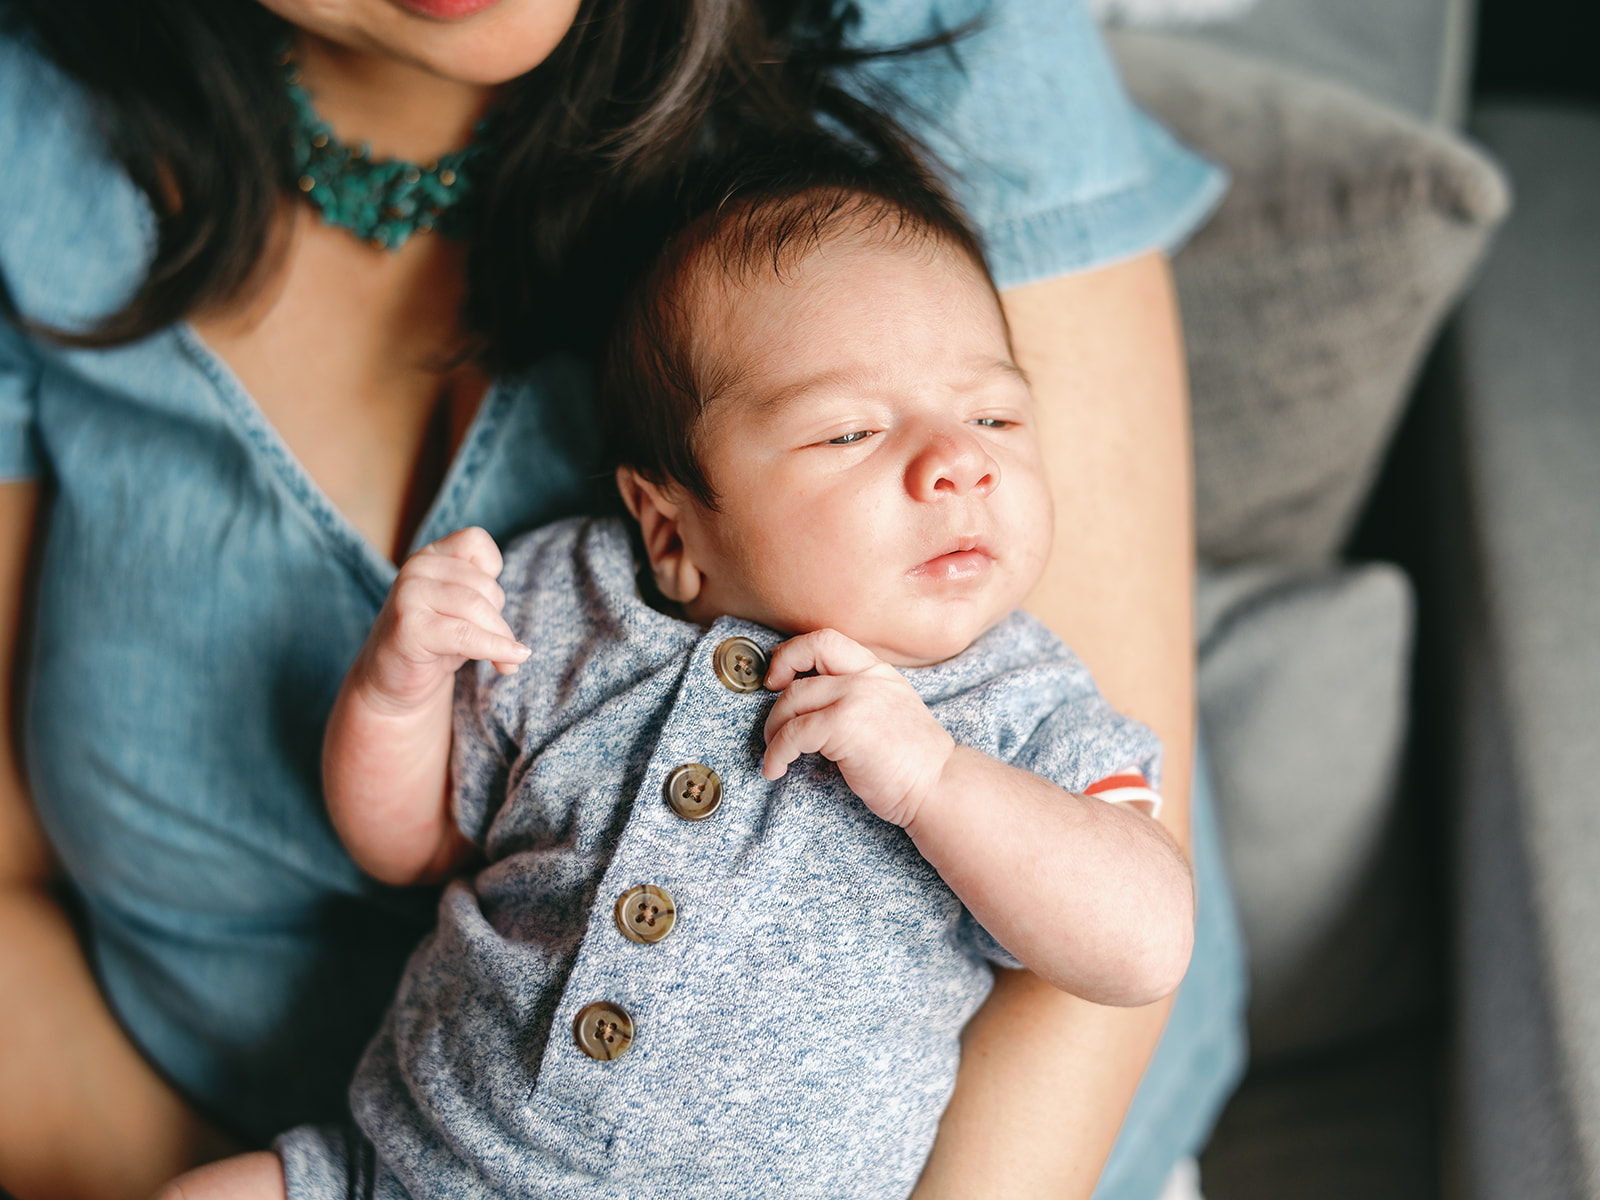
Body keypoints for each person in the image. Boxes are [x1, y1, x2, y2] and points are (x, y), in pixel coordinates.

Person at [0, 1, 1245, 1198]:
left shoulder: (1009, 699)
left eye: (995, 419)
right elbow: (411, 842)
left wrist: (932, 785)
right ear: (669, 526)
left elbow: (1131, 943)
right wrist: (398, 690)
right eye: (850, 432)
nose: (956, 462)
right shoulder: (572, 603)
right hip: (396, 1163)